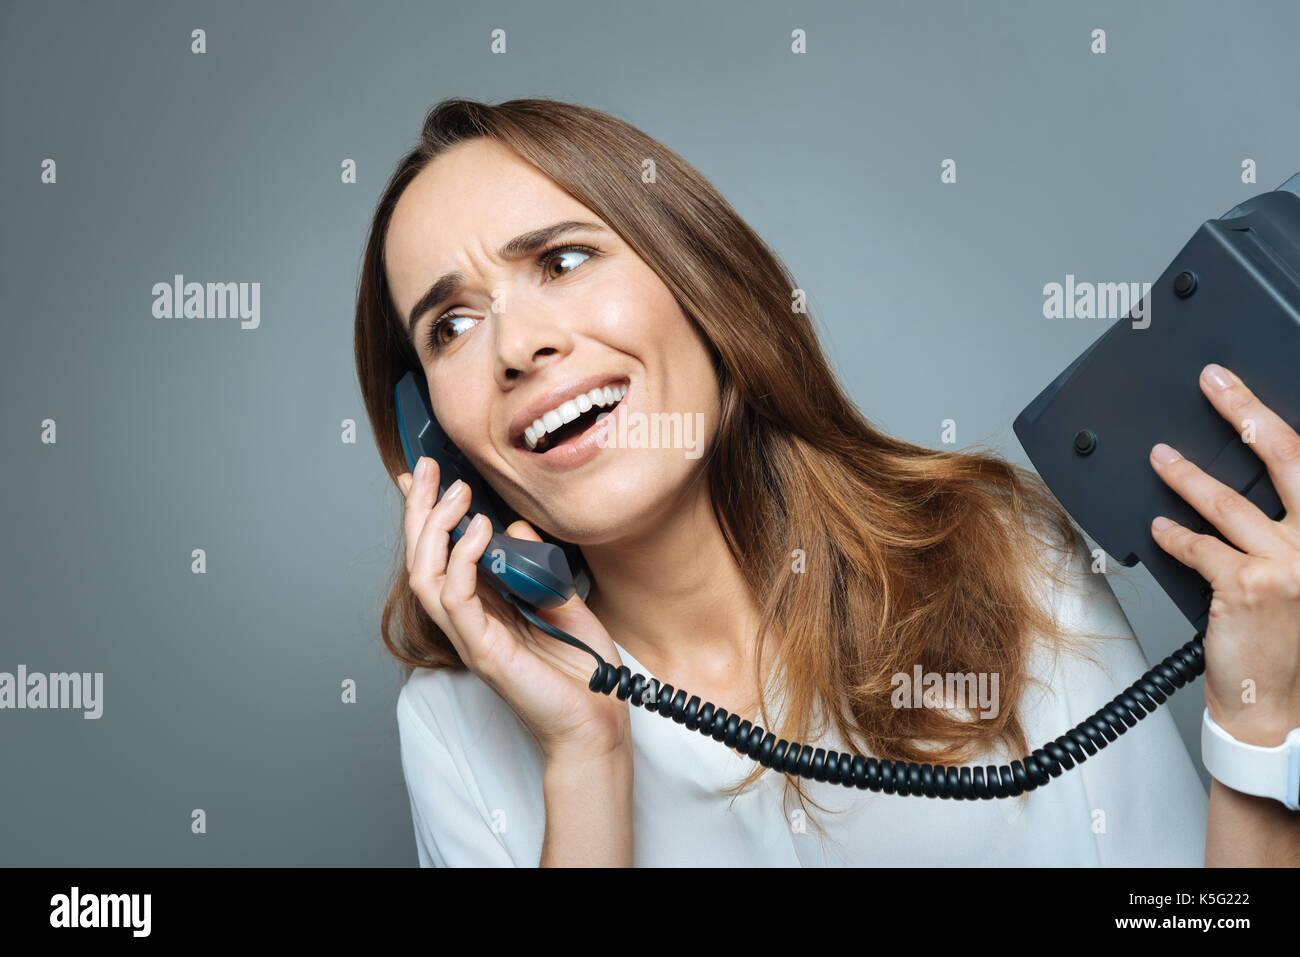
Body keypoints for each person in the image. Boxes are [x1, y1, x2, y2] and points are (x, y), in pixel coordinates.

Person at [353, 97, 1300, 867]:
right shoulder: (457, 727)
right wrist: (584, 756)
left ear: (699, 281)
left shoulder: (1000, 548)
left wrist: (1261, 713)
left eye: (563, 260)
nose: (518, 347)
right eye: (451, 326)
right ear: (434, 436)